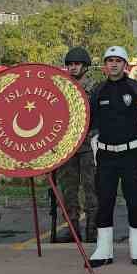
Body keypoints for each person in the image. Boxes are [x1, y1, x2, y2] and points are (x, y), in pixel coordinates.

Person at [87, 45, 137, 267]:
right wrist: (96, 134)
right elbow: (89, 119)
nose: (114, 64)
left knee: (134, 201)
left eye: (119, 60)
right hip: (106, 157)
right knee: (105, 201)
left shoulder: (136, 88)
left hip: (131, 155)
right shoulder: (98, 91)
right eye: (110, 60)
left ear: (125, 65)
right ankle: (103, 250)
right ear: (105, 66)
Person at [51, 46, 98, 243]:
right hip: (67, 146)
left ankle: (93, 228)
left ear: (85, 66)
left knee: (92, 189)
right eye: (70, 64)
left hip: (88, 144)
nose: (73, 67)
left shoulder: (96, 88)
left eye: (77, 64)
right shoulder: (61, 87)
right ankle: (72, 227)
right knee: (68, 189)